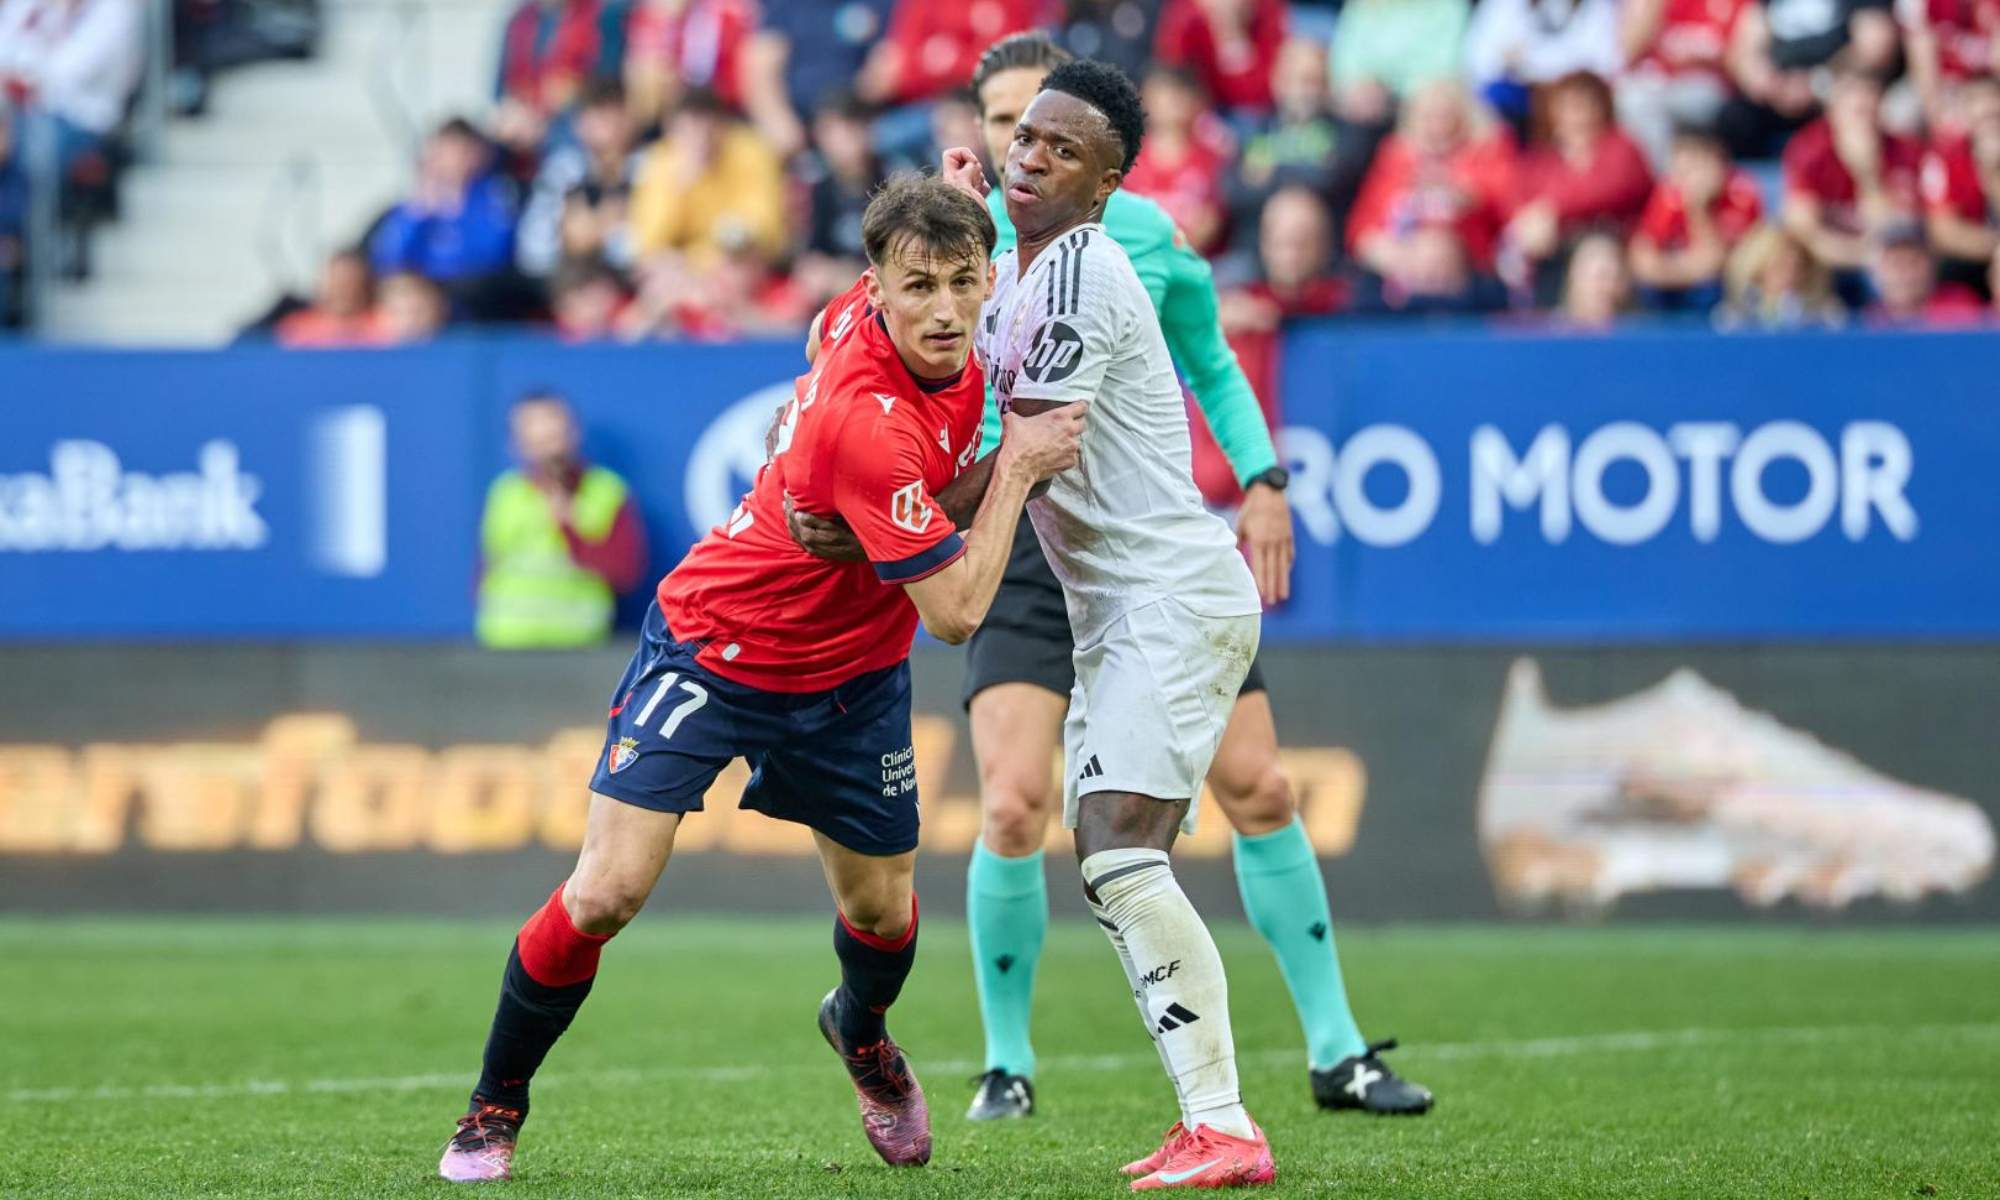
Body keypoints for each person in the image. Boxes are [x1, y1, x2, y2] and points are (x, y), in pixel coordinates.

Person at [436, 175, 1085, 1182]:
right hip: (720, 644)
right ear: (875, 288)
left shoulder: (876, 326)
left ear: (989, 276)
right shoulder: (866, 420)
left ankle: (860, 1035)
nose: (947, 310)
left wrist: (962, 206)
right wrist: (1015, 470)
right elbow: (956, 615)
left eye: (964, 281)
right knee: (604, 892)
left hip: (854, 672)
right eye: (918, 287)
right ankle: (492, 1104)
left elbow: (835, 358)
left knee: (880, 914)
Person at [934, 30, 1432, 1135]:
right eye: (1012, 127)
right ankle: (1009, 1063)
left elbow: (1199, 363)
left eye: (1054, 136)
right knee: (1017, 804)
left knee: (1243, 794)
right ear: (983, 131)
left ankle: (1319, 1056)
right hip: (1039, 552)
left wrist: (1261, 474)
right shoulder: (975, 249)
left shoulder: (1117, 247)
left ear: (1105, 172)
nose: (1026, 150)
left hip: (1111, 548)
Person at [476, 392, 647, 649]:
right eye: (535, 436)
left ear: (573, 433)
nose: (546, 447)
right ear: (517, 443)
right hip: (505, 642)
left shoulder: (606, 491)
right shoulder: (505, 492)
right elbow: (487, 565)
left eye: (553, 435)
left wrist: (569, 525)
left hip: (578, 645)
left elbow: (625, 572)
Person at [1780, 63, 1924, 283]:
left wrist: (1867, 174)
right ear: (1833, 109)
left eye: (1868, 109)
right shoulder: (1808, 150)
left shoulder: (1905, 152)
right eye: (1855, 110)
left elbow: (1894, 233)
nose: (1862, 119)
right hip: (1833, 262)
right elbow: (1804, 233)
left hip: (1890, 266)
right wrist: (1863, 257)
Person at [1630, 124, 1765, 310]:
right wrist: (1680, 272)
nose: (1689, 179)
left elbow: (1717, 264)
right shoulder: (1669, 191)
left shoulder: (1741, 192)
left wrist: (1698, 209)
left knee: (1709, 291)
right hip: (1676, 282)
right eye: (1681, 170)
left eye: (1696, 167)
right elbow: (1643, 258)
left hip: (1723, 290)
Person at [1152, 0, 1290, 113]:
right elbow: (1176, 78)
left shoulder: (1266, 20)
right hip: (1202, 116)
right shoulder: (1186, 24)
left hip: (1259, 117)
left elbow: (1261, 92)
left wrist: (1236, 37)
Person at [275, 249, 392, 348]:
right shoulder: (296, 329)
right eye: (337, 282)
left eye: (350, 283)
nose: (343, 291)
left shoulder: (383, 327)